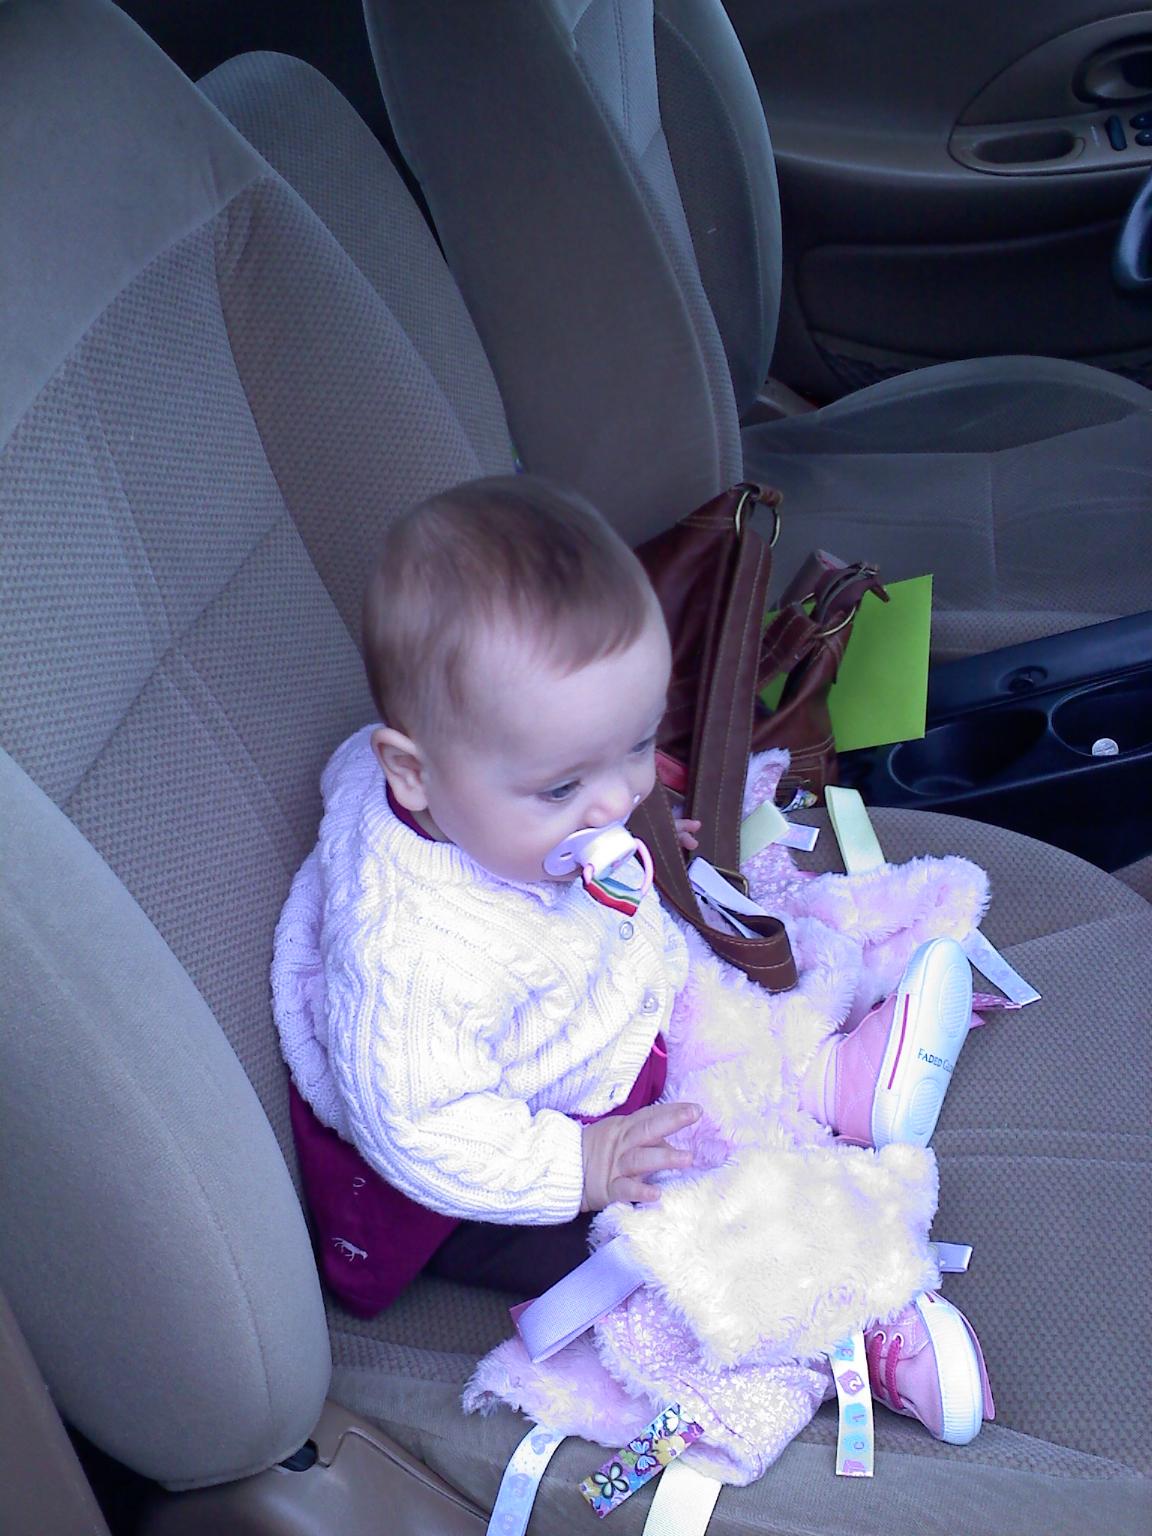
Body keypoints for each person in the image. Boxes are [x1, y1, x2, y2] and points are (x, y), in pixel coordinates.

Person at [272, 474, 992, 1446]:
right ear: (412, 771)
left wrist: (618, 814)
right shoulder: (415, 960)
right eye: (564, 784)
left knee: (702, 982)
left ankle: (824, 1078)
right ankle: (840, 1325)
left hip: (579, 1033)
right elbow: (422, 1130)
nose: (615, 800)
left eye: (637, 746)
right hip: (488, 1171)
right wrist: (581, 1166)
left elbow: (592, 800)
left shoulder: (493, 804)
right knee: (682, 1224)